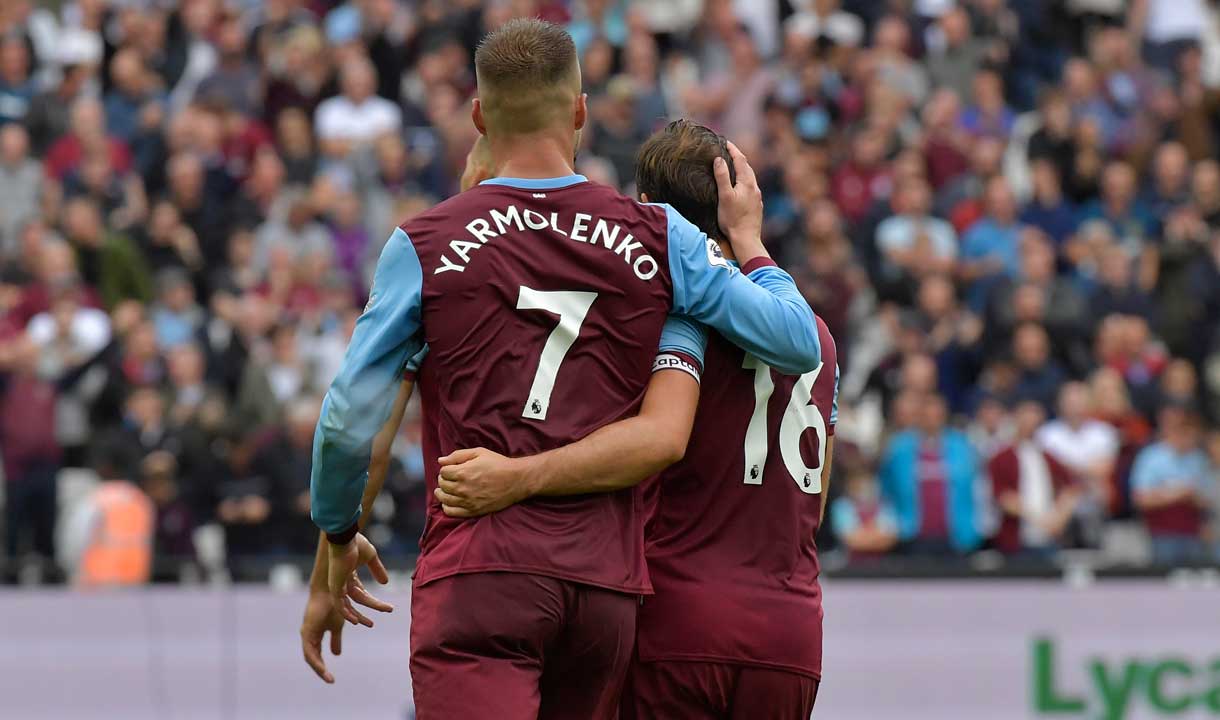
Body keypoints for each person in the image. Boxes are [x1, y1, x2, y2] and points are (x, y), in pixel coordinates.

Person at [307, 20, 821, 719]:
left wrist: (337, 536)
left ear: (480, 116)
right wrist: (751, 242)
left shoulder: (424, 243)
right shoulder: (659, 236)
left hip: (482, 573)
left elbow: (347, 418)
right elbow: (796, 342)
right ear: (580, 110)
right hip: (605, 591)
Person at [431, 119, 838, 719]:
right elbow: (816, 502)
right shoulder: (818, 335)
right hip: (792, 632)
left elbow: (654, 442)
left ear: (648, 211)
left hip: (680, 622)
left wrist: (518, 476)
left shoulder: (672, 316)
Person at [989, 400, 1080, 557]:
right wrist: (1040, 519)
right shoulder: (1001, 458)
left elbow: (1071, 487)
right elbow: (1003, 497)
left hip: (1048, 539)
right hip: (1016, 540)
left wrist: (1060, 517)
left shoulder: (1046, 456)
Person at [1131, 403, 1214, 565]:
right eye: (1187, 432)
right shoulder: (1152, 457)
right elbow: (1140, 499)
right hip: (1162, 534)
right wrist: (1176, 494)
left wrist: (1193, 496)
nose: (1192, 437)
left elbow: (1208, 499)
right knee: (1163, 584)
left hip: (1194, 534)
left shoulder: (1198, 459)